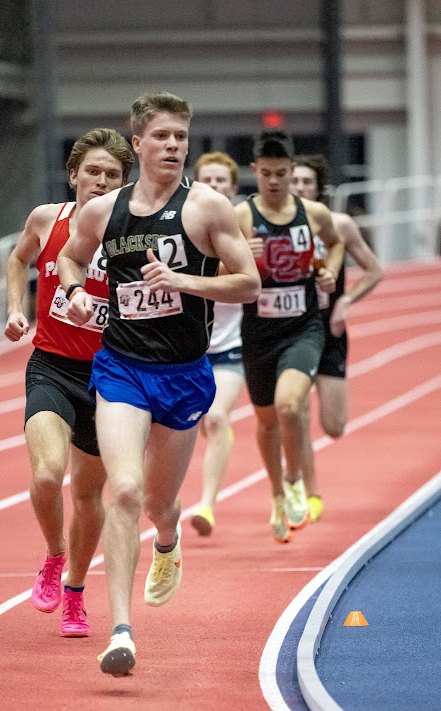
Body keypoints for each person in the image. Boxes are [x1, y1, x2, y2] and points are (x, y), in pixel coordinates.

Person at [57, 91, 260, 676]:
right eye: (164, 137)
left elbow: (247, 284)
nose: (174, 146)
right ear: (138, 143)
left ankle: (168, 540)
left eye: (182, 137)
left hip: (185, 374)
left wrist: (183, 282)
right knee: (120, 489)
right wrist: (74, 294)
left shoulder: (208, 209)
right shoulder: (104, 212)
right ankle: (121, 631)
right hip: (121, 368)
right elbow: (73, 258)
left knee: (157, 502)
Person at [4, 128, 134, 637]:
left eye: (113, 175)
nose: (101, 183)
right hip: (53, 364)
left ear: (125, 184)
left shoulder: (131, 231)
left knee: (87, 495)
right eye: (94, 172)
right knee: (45, 474)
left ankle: (76, 594)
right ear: (73, 174)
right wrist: (16, 310)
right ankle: (55, 556)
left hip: (111, 376)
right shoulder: (46, 219)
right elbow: (18, 260)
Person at [236, 131, 344, 543]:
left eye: (282, 173)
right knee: (266, 424)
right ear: (255, 172)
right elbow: (219, 272)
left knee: (289, 404)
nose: (276, 181)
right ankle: (278, 494)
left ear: (292, 170)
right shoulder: (241, 217)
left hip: (304, 327)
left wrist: (330, 271)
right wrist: (245, 259)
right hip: (259, 333)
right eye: (267, 174)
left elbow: (334, 246)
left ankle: (296, 478)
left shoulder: (313, 213)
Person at [291, 154, 383, 520]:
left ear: (319, 188)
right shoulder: (272, 227)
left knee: (334, 425)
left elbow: (374, 271)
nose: (299, 188)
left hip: (330, 331)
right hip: (292, 331)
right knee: (294, 409)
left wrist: (345, 300)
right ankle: (308, 491)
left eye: (306, 182)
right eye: (293, 180)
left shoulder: (340, 225)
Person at [190, 152, 245, 536]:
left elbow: (251, 275)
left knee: (216, 418)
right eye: (206, 179)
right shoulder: (184, 227)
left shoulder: (241, 231)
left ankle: (207, 505)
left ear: (234, 188)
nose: (213, 186)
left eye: (221, 181)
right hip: (184, 352)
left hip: (228, 351)